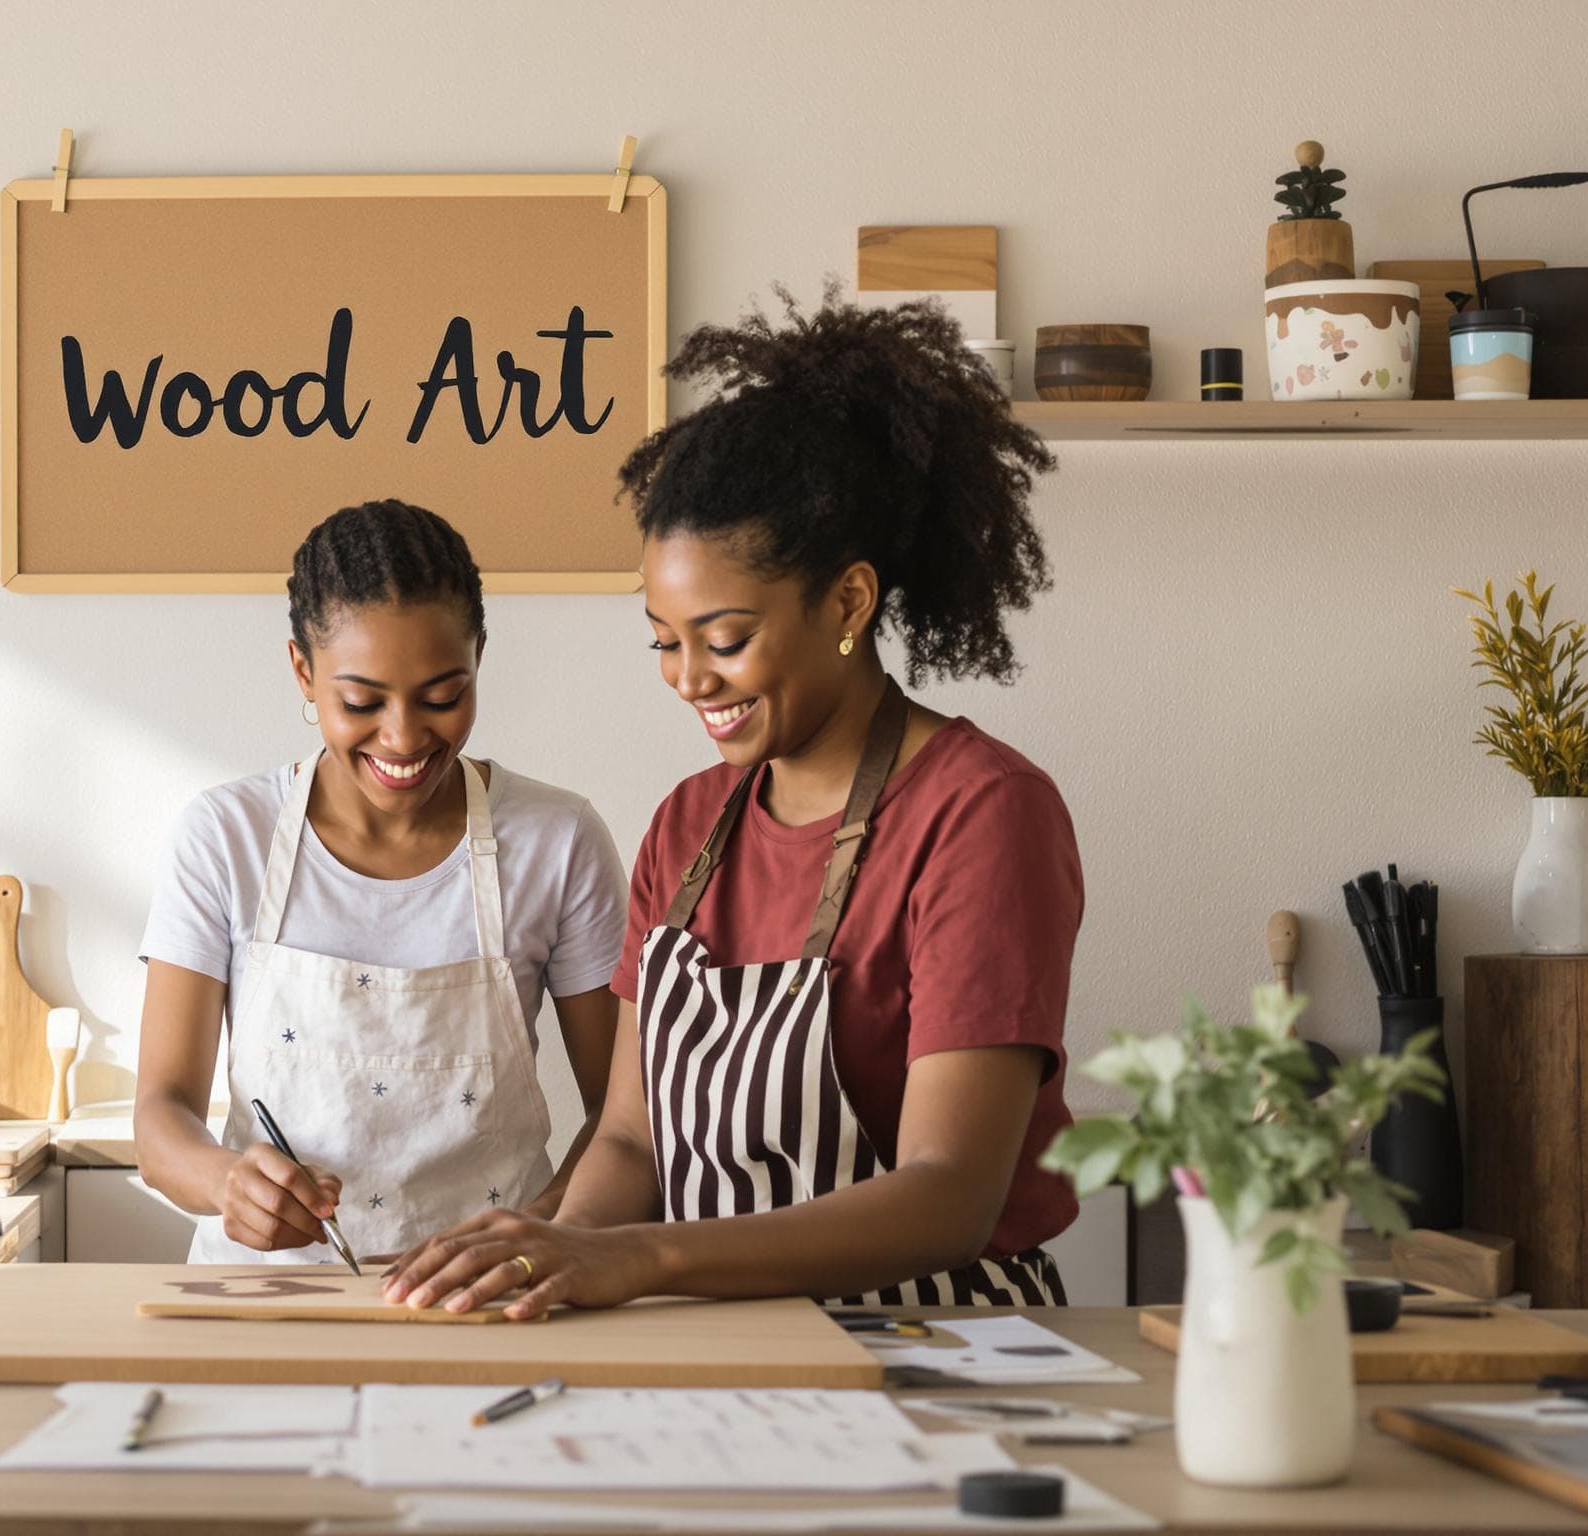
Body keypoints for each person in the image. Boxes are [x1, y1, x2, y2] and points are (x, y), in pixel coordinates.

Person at [384, 290, 1083, 1316]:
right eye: (665, 642)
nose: (688, 680)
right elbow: (628, 1138)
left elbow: (948, 1197)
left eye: (723, 639)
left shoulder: (980, 813)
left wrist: (645, 1261)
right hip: (730, 1340)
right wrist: (555, 1251)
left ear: (847, 603)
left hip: (938, 1341)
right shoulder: (688, 825)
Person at [134, 500, 628, 1263]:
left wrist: (544, 1227)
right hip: (263, 1298)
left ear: (479, 659)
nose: (403, 738)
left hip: (491, 1294)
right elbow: (160, 1118)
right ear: (303, 670)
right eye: (362, 702)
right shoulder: (226, 836)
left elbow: (623, 1115)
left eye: (442, 697)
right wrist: (227, 1181)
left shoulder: (557, 841)